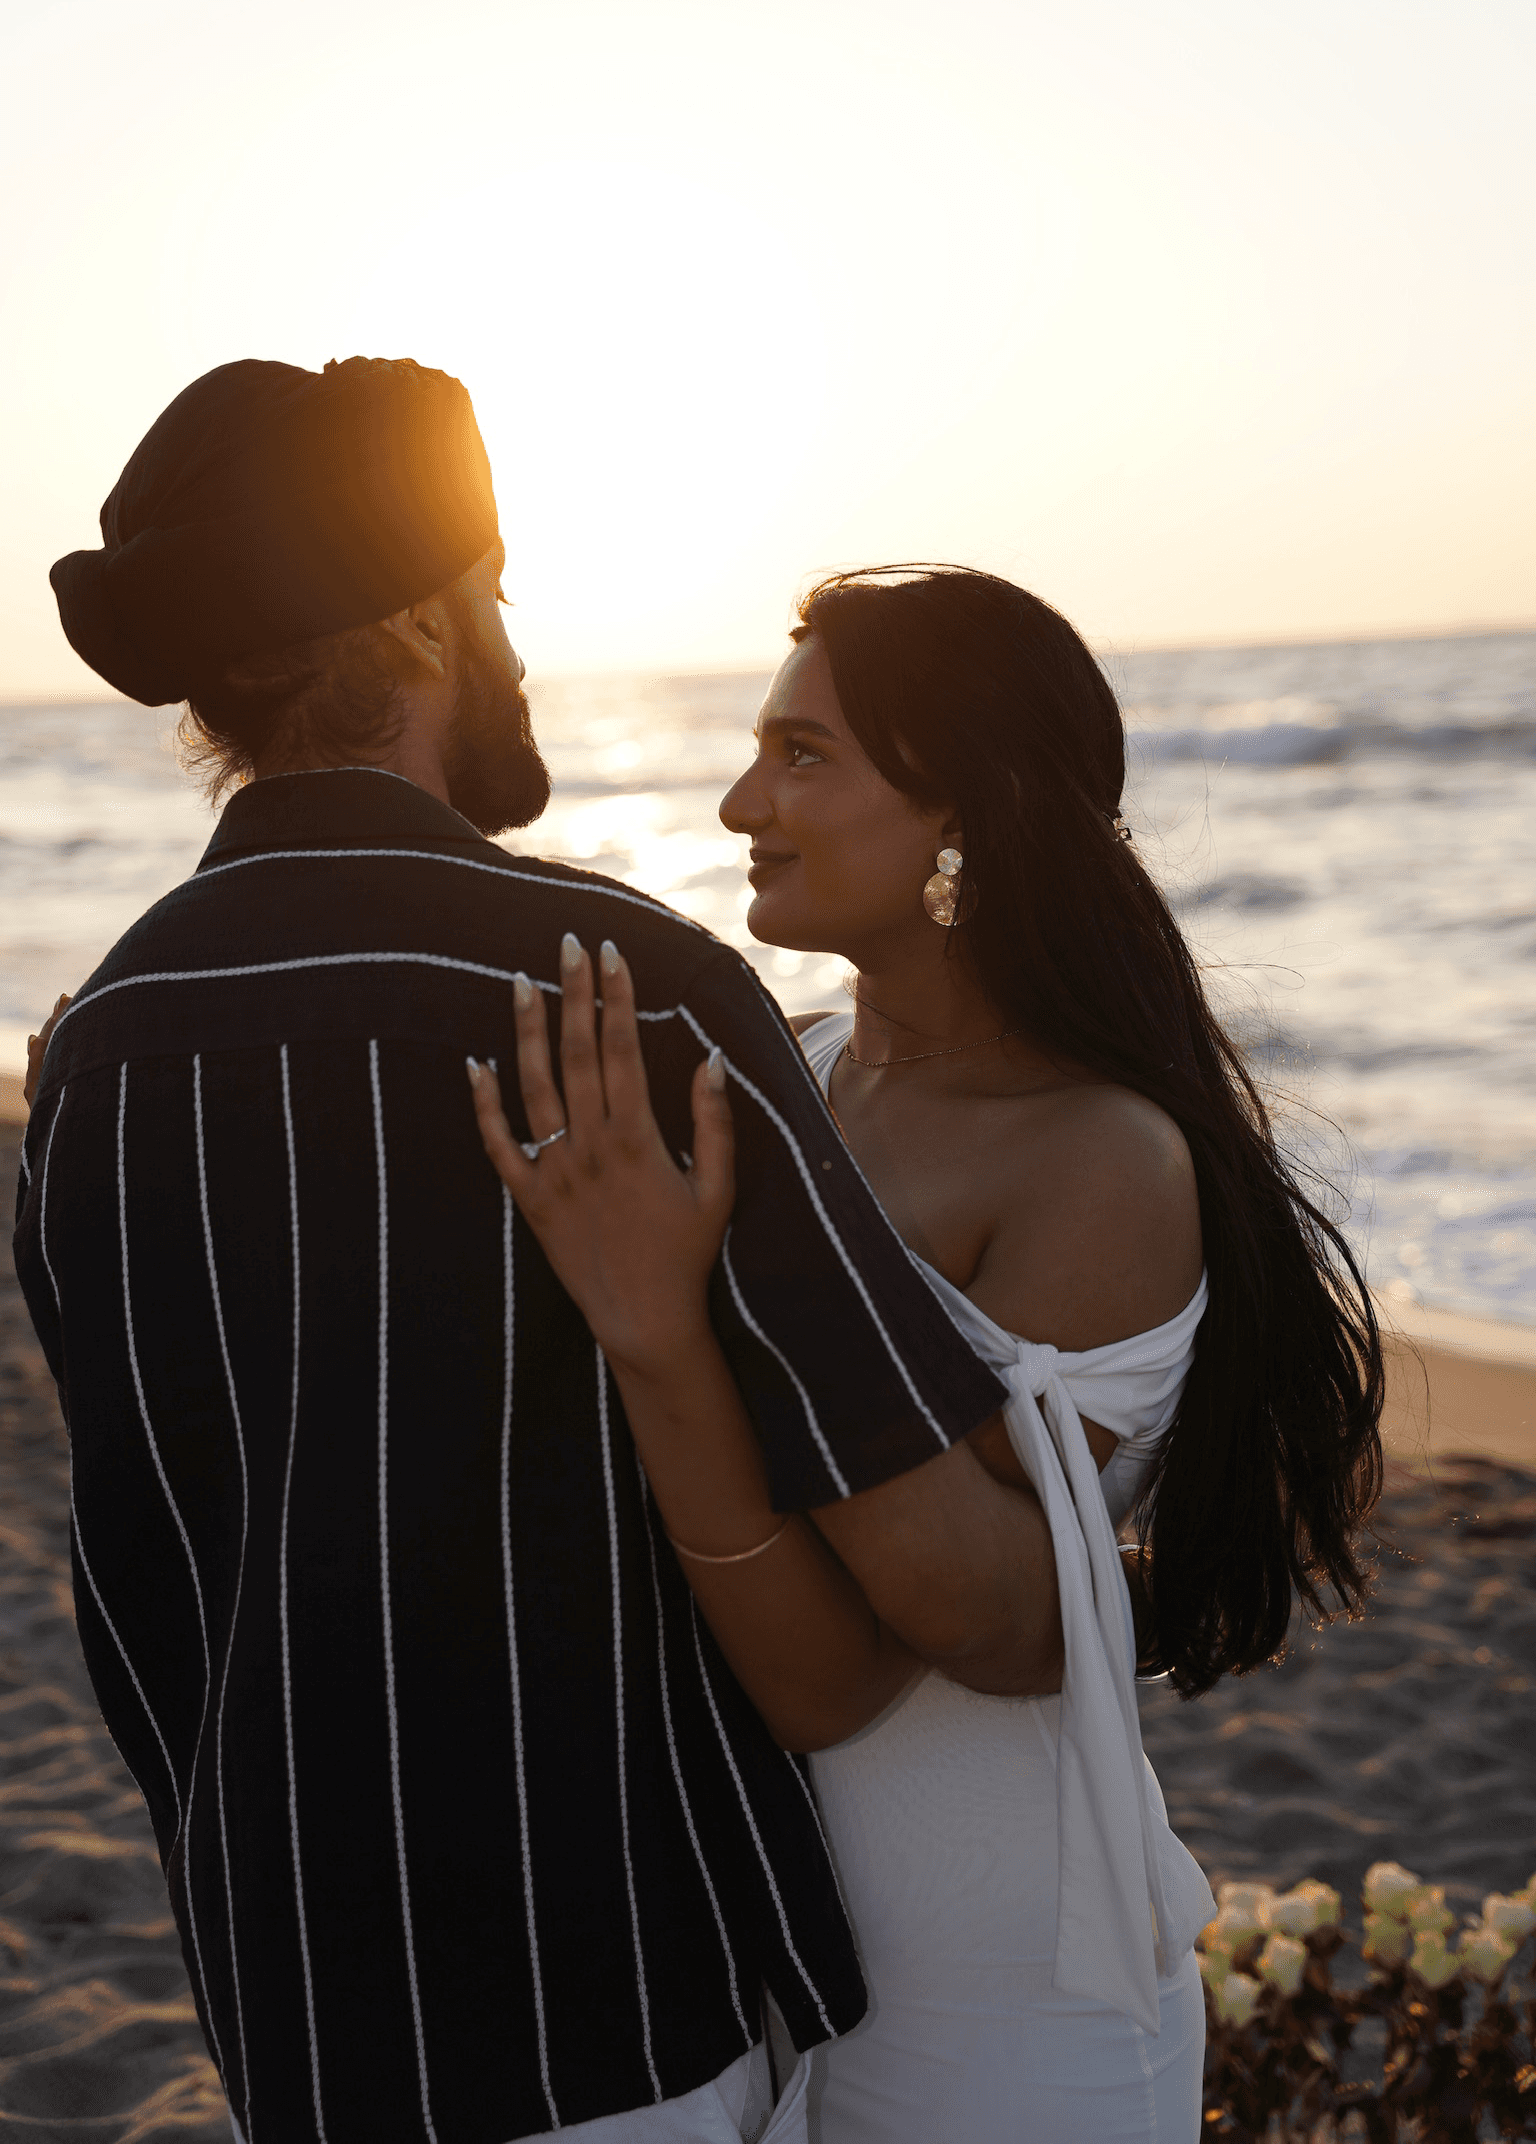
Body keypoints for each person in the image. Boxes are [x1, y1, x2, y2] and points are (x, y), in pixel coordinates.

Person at [13, 375, 1067, 2144]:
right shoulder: (623, 995)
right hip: (617, 2017)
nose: (511, 643)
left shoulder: (91, 1056)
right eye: (495, 593)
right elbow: (966, 1601)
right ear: (424, 613)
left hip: (298, 2029)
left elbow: (150, 1581)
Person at [468, 565, 1386, 2142]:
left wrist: (658, 1330)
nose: (744, 794)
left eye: (806, 754)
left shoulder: (1099, 1156)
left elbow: (946, 1623)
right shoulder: (801, 1074)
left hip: (1003, 2003)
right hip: (761, 1960)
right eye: (763, 747)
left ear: (971, 812)